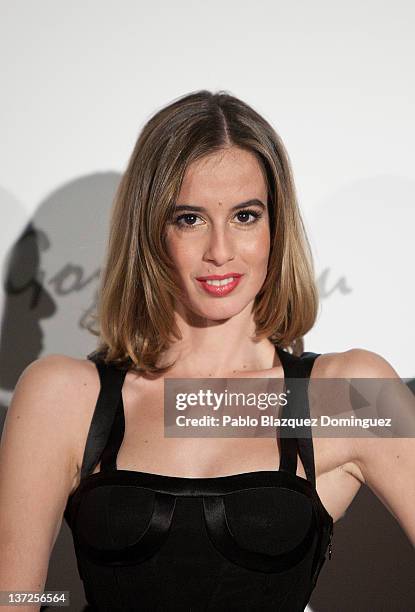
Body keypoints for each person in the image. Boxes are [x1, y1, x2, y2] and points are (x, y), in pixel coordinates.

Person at [0, 90, 414, 612]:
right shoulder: (63, 396)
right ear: (150, 231)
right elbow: (13, 597)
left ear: (275, 227)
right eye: (189, 218)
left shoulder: (347, 395)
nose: (220, 251)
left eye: (245, 216)